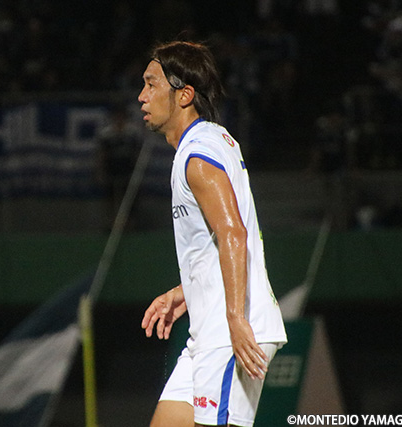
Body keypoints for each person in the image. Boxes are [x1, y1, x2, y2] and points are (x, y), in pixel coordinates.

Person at [138, 41, 287, 427]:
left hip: (229, 331)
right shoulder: (210, 140)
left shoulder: (198, 157)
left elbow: (234, 233)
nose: (141, 96)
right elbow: (217, 242)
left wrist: (236, 319)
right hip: (208, 332)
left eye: (151, 84)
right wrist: (186, 290)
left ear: (184, 94)